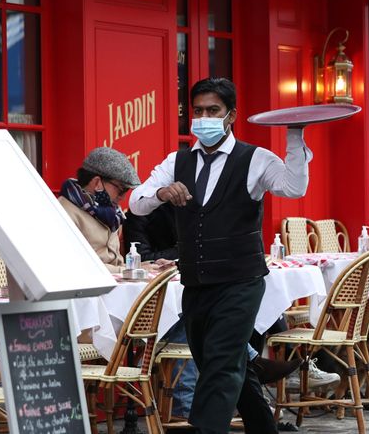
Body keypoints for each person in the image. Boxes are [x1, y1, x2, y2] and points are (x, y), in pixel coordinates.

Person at [129, 77, 314, 433]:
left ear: (230, 115)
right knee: (223, 362)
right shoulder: (176, 161)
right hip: (196, 284)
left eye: (213, 110)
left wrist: (294, 135)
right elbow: (137, 202)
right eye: (197, 111)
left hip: (241, 283)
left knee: (220, 365)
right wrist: (163, 194)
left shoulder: (255, 158)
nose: (204, 118)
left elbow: (294, 186)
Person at [124, 205, 305, 421]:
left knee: (233, 302)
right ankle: (248, 371)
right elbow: (144, 255)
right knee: (197, 310)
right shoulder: (141, 215)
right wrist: (186, 251)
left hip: (185, 288)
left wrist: (187, 252)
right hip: (151, 308)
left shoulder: (195, 210)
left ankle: (240, 387)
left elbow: (207, 246)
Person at [58, 146, 141, 273]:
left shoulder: (110, 213)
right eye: (121, 189)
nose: (123, 197)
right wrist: (127, 270)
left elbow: (117, 263)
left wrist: (151, 265)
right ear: (97, 182)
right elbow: (77, 265)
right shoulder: (64, 212)